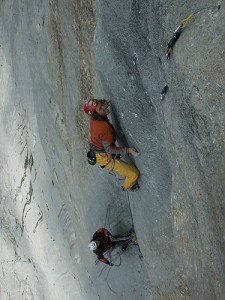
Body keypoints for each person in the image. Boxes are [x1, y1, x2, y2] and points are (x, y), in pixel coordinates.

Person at [84, 98, 140, 191]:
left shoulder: (93, 116)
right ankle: (126, 187)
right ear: (96, 114)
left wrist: (104, 104)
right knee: (134, 174)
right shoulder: (103, 128)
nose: (103, 107)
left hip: (99, 150)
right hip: (105, 158)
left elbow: (97, 107)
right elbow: (109, 149)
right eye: (100, 108)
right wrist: (128, 150)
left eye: (101, 105)